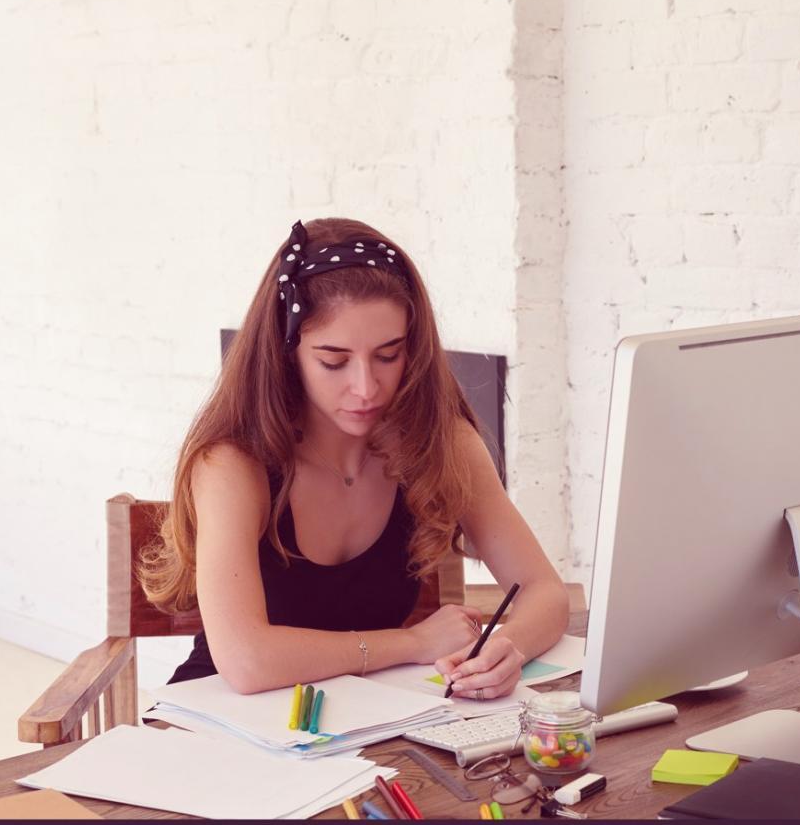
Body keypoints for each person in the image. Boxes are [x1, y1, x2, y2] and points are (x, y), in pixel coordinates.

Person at [140, 217, 569, 699]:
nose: (366, 388)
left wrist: (505, 647)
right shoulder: (233, 463)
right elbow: (246, 662)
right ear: (288, 351)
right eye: (333, 361)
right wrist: (410, 643)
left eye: (389, 355)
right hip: (222, 726)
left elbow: (546, 593)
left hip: (357, 728)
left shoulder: (440, 443)